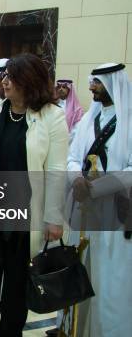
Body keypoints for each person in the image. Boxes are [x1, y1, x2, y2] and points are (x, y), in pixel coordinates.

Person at [0, 53, 67, 336]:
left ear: (29, 82)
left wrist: (53, 218)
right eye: (5, 76)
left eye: (12, 77)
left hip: (24, 216)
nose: (4, 83)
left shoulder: (52, 117)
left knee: (16, 283)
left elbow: (57, 171)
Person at [66, 63, 132, 337]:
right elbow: (71, 158)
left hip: (115, 212)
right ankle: (75, 327)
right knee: (80, 269)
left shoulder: (129, 120)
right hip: (83, 208)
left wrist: (97, 188)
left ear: (113, 84)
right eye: (92, 82)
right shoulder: (87, 120)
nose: (91, 87)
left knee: (110, 276)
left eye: (97, 82)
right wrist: (76, 179)